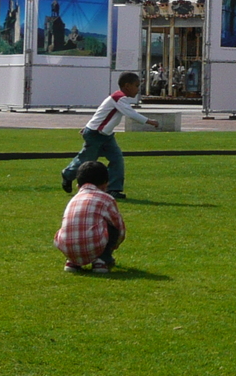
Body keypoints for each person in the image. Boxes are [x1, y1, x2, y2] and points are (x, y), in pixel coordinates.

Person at [60, 72, 159, 200]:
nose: (137, 89)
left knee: (117, 159)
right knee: (87, 160)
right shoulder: (119, 98)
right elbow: (131, 114)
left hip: (106, 135)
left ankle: (113, 189)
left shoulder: (118, 98)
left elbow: (100, 113)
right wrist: (150, 121)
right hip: (95, 134)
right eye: (136, 85)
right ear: (127, 86)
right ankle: (67, 174)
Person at [55, 161, 125, 273]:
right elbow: (119, 228)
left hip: (66, 247)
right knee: (111, 225)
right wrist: (112, 247)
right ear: (105, 184)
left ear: (78, 186)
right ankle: (101, 260)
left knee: (74, 226)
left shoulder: (74, 199)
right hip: (94, 246)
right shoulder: (106, 199)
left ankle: (72, 261)